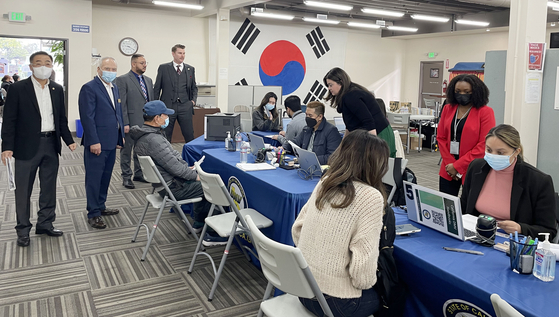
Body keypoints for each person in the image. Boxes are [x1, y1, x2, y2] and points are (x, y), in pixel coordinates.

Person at [292, 130, 388, 317]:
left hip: (303, 290)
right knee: (393, 295)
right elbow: (363, 271)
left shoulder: (325, 182)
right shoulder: (371, 197)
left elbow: (297, 229)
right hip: (336, 303)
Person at [1, 51, 76, 247]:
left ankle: (45, 223)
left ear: (51, 66)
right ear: (31, 66)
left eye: (47, 63)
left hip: (51, 144)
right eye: (39, 63)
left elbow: (61, 119)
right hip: (25, 146)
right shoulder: (18, 88)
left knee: (49, 188)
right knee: (23, 190)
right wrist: (6, 147)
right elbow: (9, 120)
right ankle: (23, 229)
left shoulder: (56, 89)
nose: (43, 66)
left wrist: (69, 140)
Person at [130, 100, 224, 247]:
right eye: (165, 115)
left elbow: (171, 159)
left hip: (165, 185)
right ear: (157, 118)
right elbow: (177, 169)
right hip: (173, 188)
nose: (167, 118)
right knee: (211, 187)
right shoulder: (154, 140)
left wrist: (188, 169)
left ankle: (199, 223)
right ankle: (212, 234)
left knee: (201, 182)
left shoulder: (145, 135)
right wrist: (197, 176)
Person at [461, 124, 557, 239]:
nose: (493, 156)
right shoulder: (476, 167)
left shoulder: (538, 181)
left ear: (516, 152)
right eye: (489, 150)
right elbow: (463, 207)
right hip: (476, 234)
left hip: (511, 242)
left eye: (500, 153)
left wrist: (521, 228)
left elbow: (548, 231)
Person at [78, 57, 125, 229]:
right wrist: (93, 141)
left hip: (111, 141)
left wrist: (119, 138)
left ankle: (101, 205)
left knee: (105, 177)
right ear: (98, 69)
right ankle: (93, 213)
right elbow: (87, 117)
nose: (110, 72)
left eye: (113, 69)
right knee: (94, 178)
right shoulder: (89, 88)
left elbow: (117, 113)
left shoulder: (115, 88)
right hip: (97, 142)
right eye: (107, 68)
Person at [437, 74, 495, 196]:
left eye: (466, 91)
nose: (461, 94)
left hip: (472, 167)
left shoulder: (485, 112)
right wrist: (450, 165)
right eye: (458, 91)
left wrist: (458, 166)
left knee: (469, 208)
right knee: (447, 206)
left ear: (475, 92)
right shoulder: (448, 108)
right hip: (448, 168)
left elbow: (484, 143)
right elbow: (441, 138)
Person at [323, 67, 396, 158]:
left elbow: (369, 122)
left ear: (341, 82)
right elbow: (350, 126)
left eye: (331, 85)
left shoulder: (351, 97)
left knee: (377, 165)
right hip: (372, 132)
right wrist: (341, 147)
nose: (329, 88)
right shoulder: (348, 95)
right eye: (328, 85)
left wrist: (374, 147)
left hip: (379, 132)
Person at [115, 54, 154, 189]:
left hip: (145, 122)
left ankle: (139, 173)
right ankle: (126, 176)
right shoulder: (122, 80)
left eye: (145, 63)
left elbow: (150, 102)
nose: (145, 65)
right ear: (133, 64)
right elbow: (122, 104)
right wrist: (124, 123)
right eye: (142, 63)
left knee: (142, 149)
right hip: (130, 122)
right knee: (127, 150)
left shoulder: (148, 80)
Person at [154, 44, 198, 143]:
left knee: (189, 134)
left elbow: (194, 87)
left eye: (183, 53)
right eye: (179, 53)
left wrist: (193, 101)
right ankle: (164, 157)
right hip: (168, 107)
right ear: (173, 54)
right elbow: (157, 88)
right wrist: (156, 107)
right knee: (165, 134)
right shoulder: (163, 68)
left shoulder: (190, 69)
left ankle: (191, 157)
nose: (182, 55)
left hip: (185, 106)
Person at [284, 101, 341, 165]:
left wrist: (311, 159)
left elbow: (333, 157)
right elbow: (295, 142)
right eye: (306, 115)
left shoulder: (331, 131)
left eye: (310, 115)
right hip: (304, 165)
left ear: (320, 117)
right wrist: (284, 148)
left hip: (320, 168)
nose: (307, 118)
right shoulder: (307, 129)